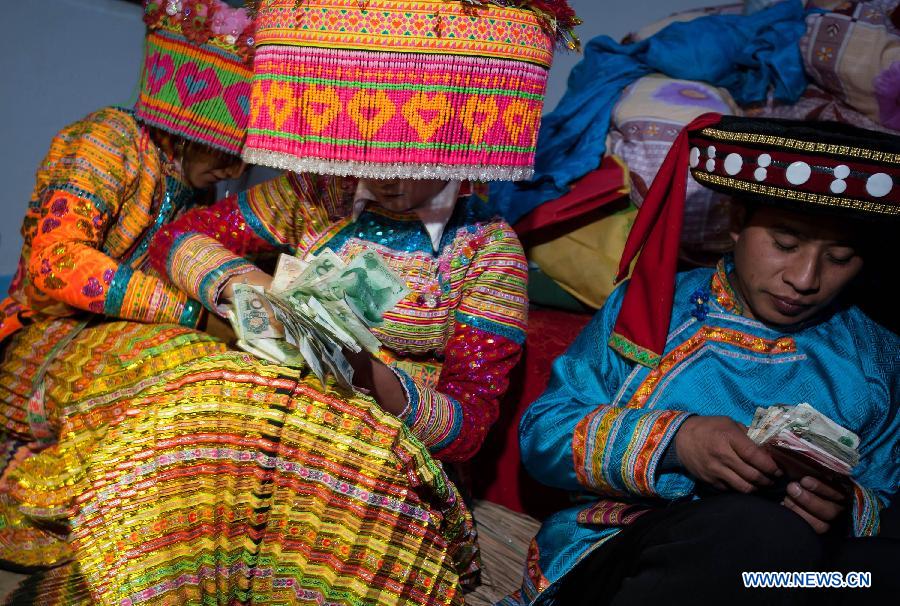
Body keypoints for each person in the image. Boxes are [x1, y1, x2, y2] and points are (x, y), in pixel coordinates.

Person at [0, 1, 578, 603]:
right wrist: (241, 288)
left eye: (411, 161)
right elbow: (180, 237)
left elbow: (466, 429)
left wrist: (367, 374)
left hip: (379, 436)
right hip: (263, 390)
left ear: (462, 148)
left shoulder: (488, 252)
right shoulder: (321, 191)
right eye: (368, 151)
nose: (383, 176)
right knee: (190, 434)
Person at [511, 115, 899, 605]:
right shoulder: (653, 308)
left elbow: (883, 491)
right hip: (630, 558)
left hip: (787, 580)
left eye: (840, 258)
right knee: (754, 533)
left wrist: (842, 510)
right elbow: (544, 433)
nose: (805, 279)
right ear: (735, 223)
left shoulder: (878, 355)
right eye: (785, 243)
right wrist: (678, 441)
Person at [0, 0, 254, 569]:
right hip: (40, 336)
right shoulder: (106, 139)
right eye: (230, 151)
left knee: (214, 372)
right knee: (174, 363)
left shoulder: (195, 185)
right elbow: (56, 261)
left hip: (121, 340)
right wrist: (192, 318)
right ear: (191, 124)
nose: (236, 171)